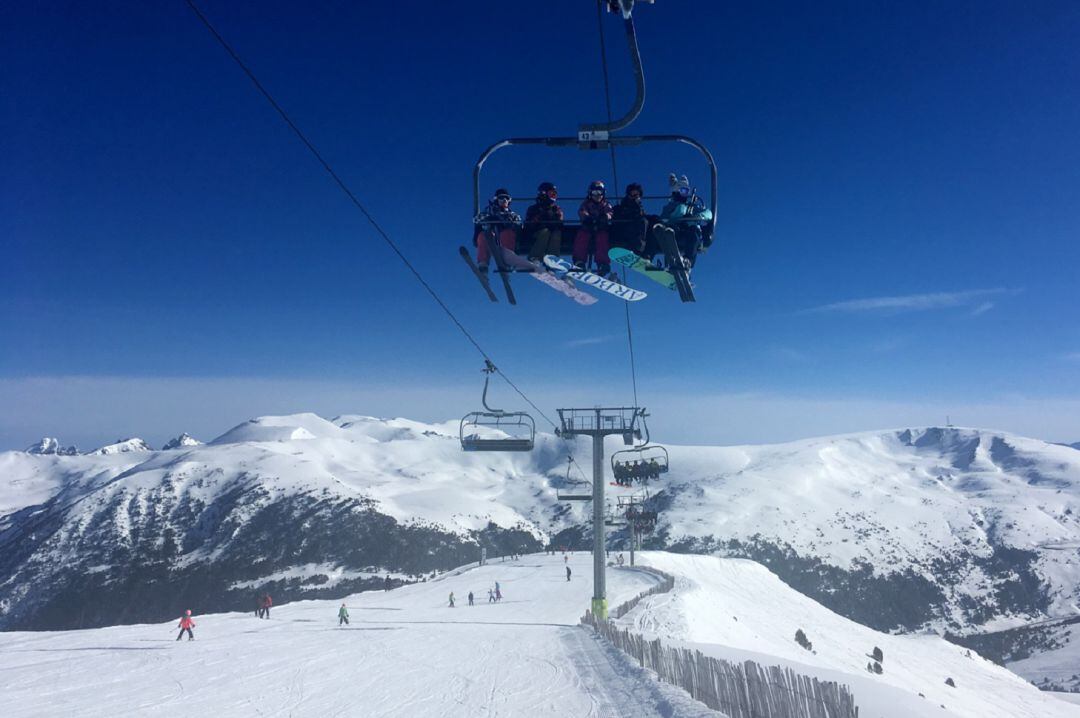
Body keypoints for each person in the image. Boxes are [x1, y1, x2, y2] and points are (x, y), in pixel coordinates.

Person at [658, 173, 713, 270]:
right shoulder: (670, 207)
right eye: (682, 191)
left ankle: (687, 261)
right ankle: (668, 261)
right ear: (676, 191)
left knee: (694, 232)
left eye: (686, 191)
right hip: (675, 232)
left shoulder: (691, 206)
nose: (685, 194)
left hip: (688, 234)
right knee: (669, 231)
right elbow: (663, 218)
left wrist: (698, 216)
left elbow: (708, 213)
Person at [474, 189, 522, 271]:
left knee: (507, 233)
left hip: (505, 239)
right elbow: (476, 220)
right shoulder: (489, 210)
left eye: (507, 198)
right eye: (501, 198)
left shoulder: (511, 214)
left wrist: (509, 221)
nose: (504, 200)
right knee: (484, 236)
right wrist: (489, 216)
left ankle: (507, 261)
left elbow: (519, 223)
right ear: (496, 199)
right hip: (493, 238)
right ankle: (483, 263)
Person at [573, 180, 614, 275]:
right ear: (590, 193)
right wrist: (587, 218)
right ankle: (579, 261)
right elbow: (582, 211)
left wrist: (604, 217)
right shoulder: (586, 203)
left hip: (600, 227)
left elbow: (610, 212)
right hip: (588, 227)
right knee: (582, 237)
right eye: (595, 193)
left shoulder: (605, 204)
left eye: (600, 193)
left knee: (602, 239)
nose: (597, 195)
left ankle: (602, 263)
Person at [523, 182, 564, 261]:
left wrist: (557, 218)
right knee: (545, 232)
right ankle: (535, 257)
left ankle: (552, 259)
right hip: (536, 233)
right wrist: (540, 216)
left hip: (551, 232)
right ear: (544, 193)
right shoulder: (534, 208)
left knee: (556, 233)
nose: (554, 195)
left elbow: (560, 224)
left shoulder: (556, 209)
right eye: (551, 193)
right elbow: (529, 224)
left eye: (554, 193)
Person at [611, 183, 651, 256]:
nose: (633, 197)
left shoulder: (639, 208)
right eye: (632, 194)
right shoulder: (621, 207)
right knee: (642, 221)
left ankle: (642, 252)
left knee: (647, 221)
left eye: (636, 195)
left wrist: (638, 207)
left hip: (635, 236)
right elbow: (619, 217)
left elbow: (642, 217)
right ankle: (638, 249)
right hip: (623, 234)